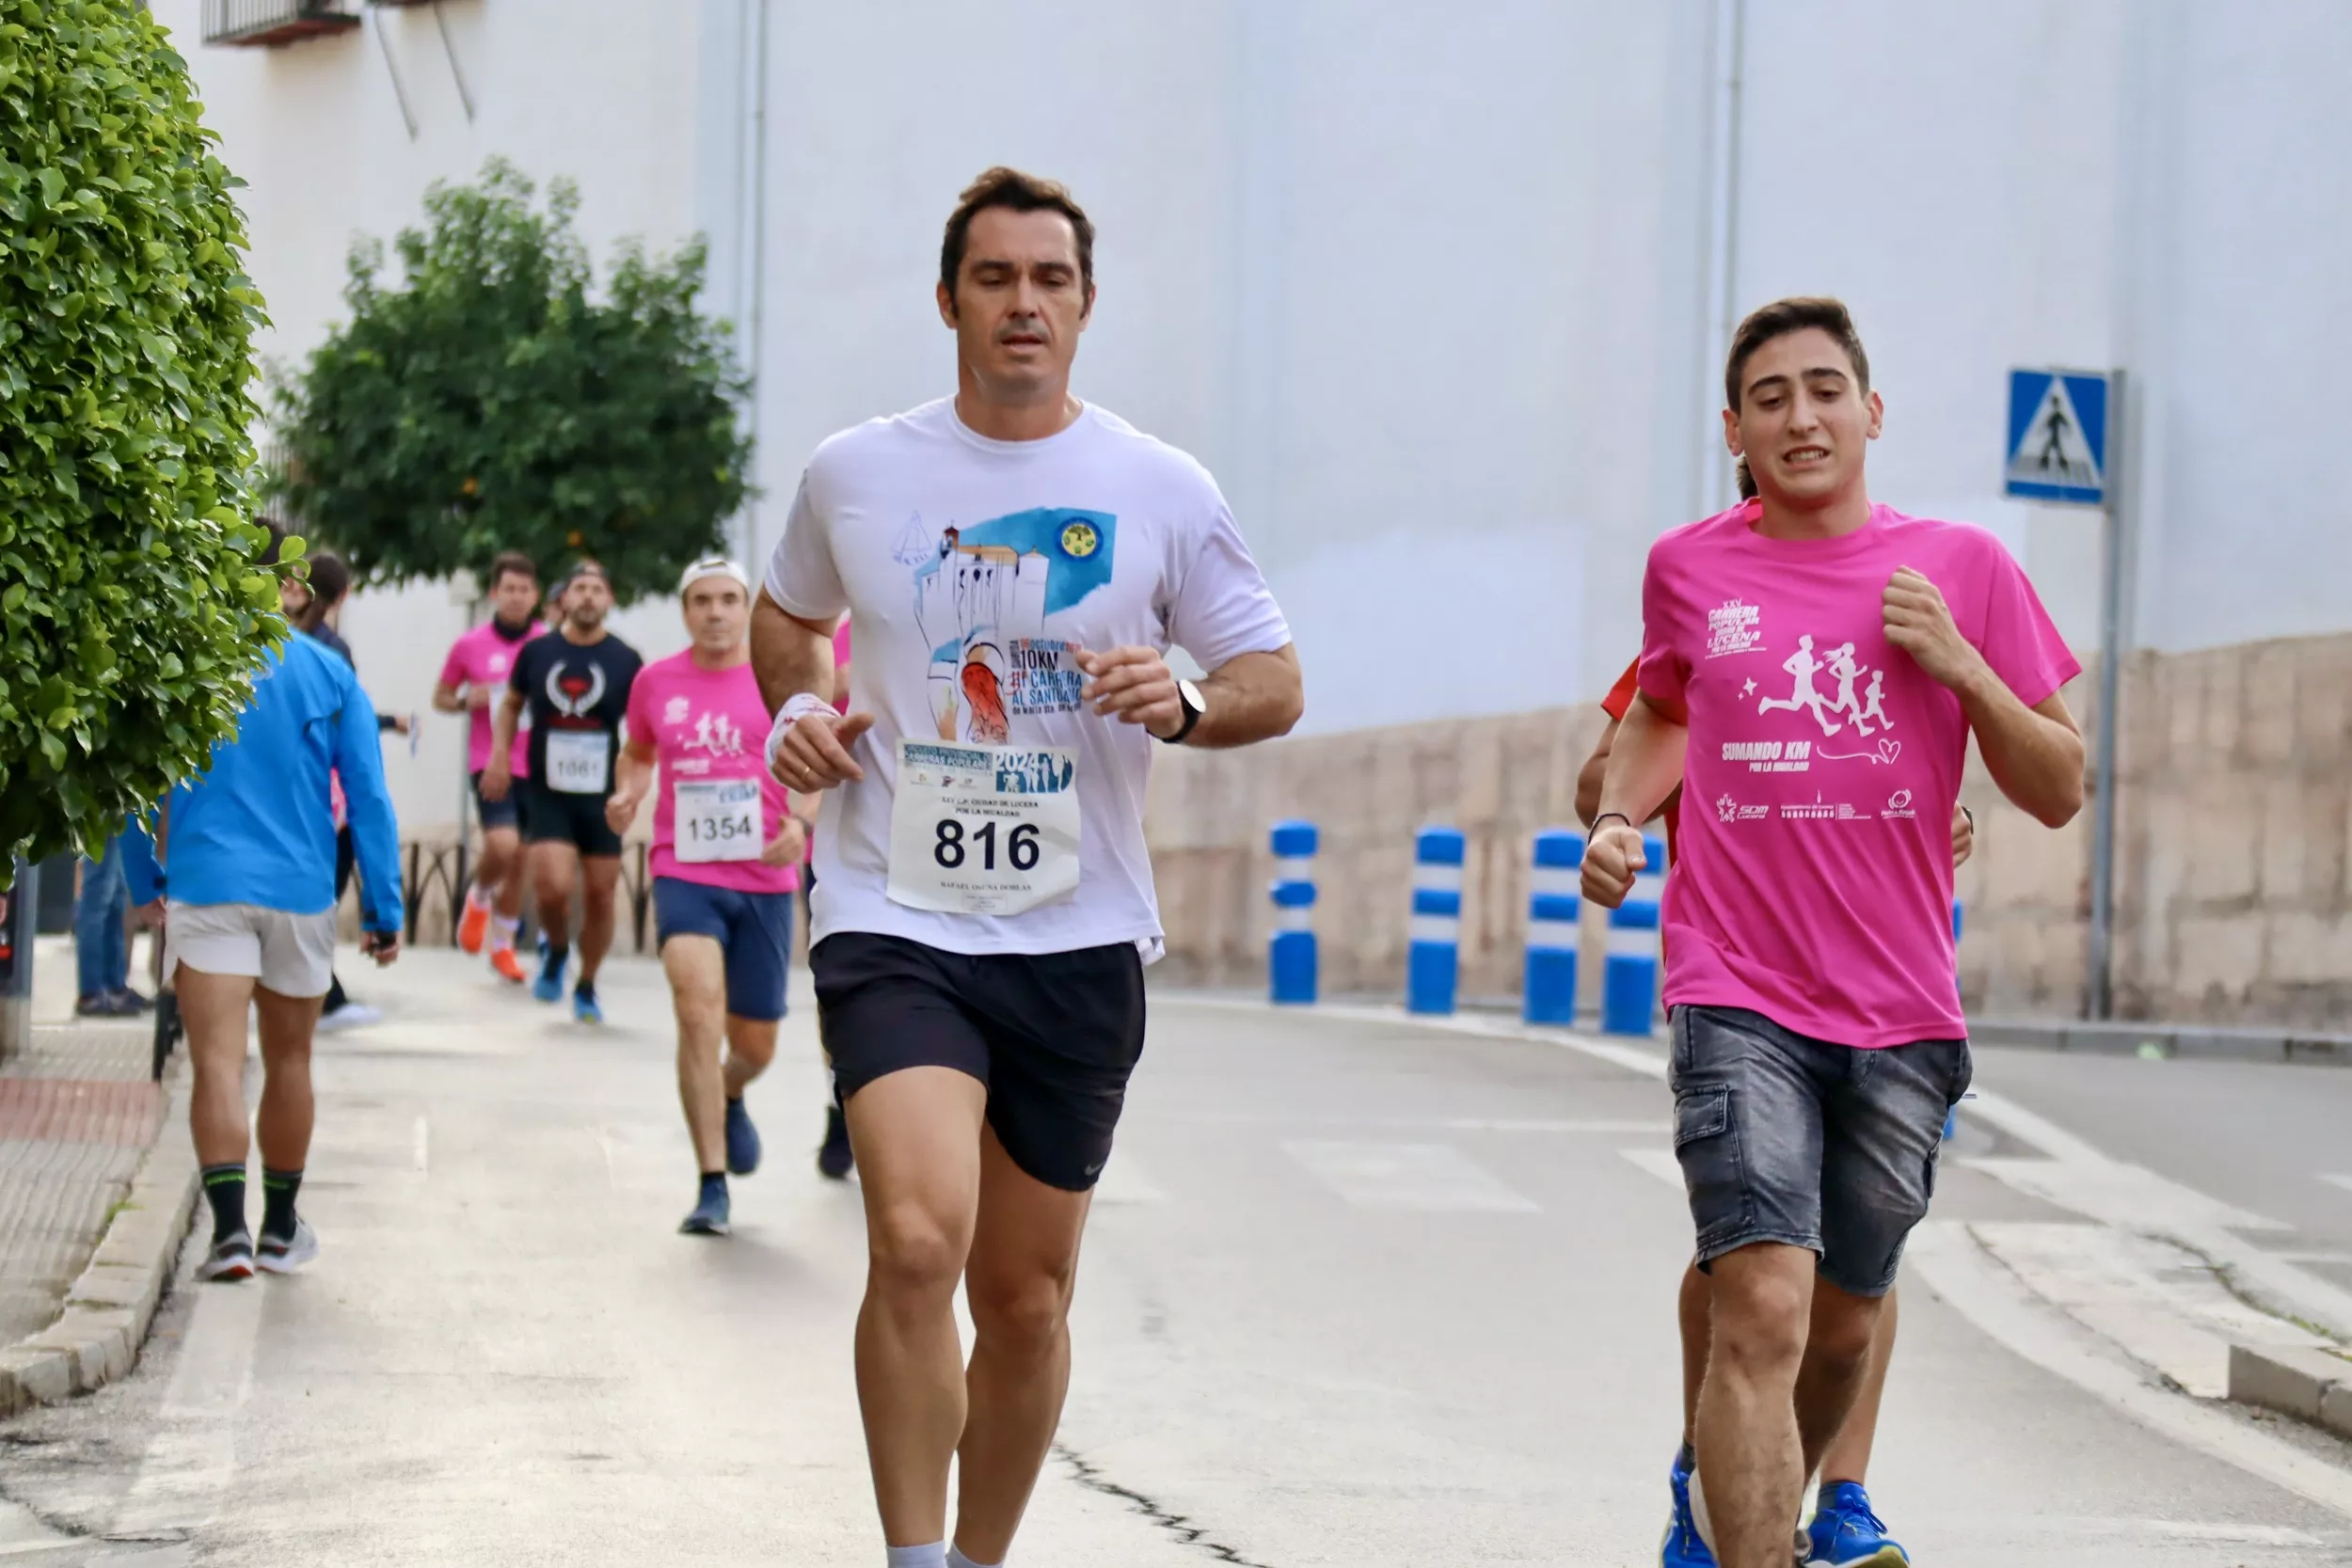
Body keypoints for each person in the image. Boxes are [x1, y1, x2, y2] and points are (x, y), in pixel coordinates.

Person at [753, 167, 1303, 1568]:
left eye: (1049, 280)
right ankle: (913, 1555)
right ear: (949, 300)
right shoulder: (856, 471)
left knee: (1026, 1296)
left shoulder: (1157, 487)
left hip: (1078, 930)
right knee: (920, 1239)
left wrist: (1183, 703)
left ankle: (981, 1551)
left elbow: (1273, 677)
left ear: (1086, 304)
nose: (1022, 304)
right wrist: (803, 716)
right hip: (893, 908)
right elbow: (786, 621)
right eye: (994, 279)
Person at [1582, 297, 2082, 1568]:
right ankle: (1750, 1528)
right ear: (1735, 432)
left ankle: (1747, 1496)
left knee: (1845, 1325)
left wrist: (1963, 669)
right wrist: (1623, 818)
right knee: (1760, 1296)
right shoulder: (1689, 567)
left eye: (1823, 389)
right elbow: (1656, 713)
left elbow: (2061, 781)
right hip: (1737, 985)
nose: (1800, 416)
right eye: (1769, 398)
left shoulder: (1963, 567)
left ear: (1871, 408)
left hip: (1903, 1007)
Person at [1578, 646, 1977, 1568]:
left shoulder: (1887, 616)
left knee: (1859, 1264)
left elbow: (1918, 768)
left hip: (1880, 978)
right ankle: (1705, 1483)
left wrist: (1935, 817)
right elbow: (1598, 778)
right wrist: (1703, 773)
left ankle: (1842, 1496)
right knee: (1750, 1265)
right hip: (1742, 982)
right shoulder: (1708, 609)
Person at [132, 541, 405, 1283]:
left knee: (217, 1063)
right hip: (300, 892)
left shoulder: (182, 664)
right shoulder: (329, 671)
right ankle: (281, 1227)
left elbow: (133, 781)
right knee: (291, 1060)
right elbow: (370, 798)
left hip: (206, 883)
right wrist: (383, 907)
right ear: (290, 587)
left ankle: (228, 1237)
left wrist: (141, 876)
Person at [607, 558, 812, 1234]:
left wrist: (801, 822)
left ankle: (730, 1088)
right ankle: (712, 1183)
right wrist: (629, 792)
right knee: (696, 1011)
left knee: (754, 1044)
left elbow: (816, 763)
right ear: (684, 609)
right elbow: (637, 752)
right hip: (685, 870)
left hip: (765, 880)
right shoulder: (655, 681)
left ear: (747, 606)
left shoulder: (780, 677)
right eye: (702, 600)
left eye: (728, 599)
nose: (716, 611)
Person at [484, 560, 643, 1023]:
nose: (589, 597)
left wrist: (631, 788)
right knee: (551, 887)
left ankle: (588, 983)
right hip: (548, 790)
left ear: (609, 599)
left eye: (597, 588)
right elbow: (510, 707)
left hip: (601, 796)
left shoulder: (627, 659)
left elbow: (641, 731)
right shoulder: (537, 653)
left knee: (601, 894)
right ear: (564, 600)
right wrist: (499, 757)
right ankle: (555, 949)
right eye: (580, 589)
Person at [436, 551, 545, 986]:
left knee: (521, 858)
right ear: (495, 594)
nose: (516, 598)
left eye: (524, 590)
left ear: (535, 596)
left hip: (536, 765)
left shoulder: (545, 644)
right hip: (490, 762)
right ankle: (478, 898)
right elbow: (440, 696)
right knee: (501, 846)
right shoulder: (470, 645)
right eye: (509, 590)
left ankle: (503, 945)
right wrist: (466, 700)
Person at [815, 613, 855, 1180]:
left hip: (964, 834)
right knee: (842, 1002)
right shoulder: (826, 629)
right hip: (848, 843)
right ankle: (842, 1098)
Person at [72, 831, 150, 1017]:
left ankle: (114, 987)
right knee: (98, 897)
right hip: (105, 809)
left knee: (116, 898)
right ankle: (91, 993)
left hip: (118, 810)